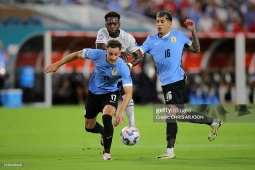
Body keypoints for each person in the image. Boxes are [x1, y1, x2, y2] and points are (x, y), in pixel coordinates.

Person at [139, 11, 222, 159]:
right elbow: (139, 53)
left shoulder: (178, 36)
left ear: (170, 23)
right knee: (182, 115)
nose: (159, 24)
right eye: (157, 21)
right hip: (165, 83)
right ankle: (212, 121)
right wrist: (129, 61)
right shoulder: (151, 40)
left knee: (170, 113)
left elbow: (196, 49)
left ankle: (170, 151)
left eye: (162, 21)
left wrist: (193, 32)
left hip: (176, 81)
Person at [45, 39, 132, 160]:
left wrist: (121, 110)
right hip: (93, 93)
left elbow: (129, 92)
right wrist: (57, 64)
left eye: (116, 54)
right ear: (106, 51)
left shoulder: (123, 67)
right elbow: (76, 54)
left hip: (110, 93)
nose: (113, 57)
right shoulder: (96, 54)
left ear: (120, 53)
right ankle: (103, 132)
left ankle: (106, 153)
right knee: (89, 127)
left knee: (107, 117)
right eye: (110, 53)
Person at [95, 11, 143, 127]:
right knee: (105, 105)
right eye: (109, 24)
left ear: (119, 24)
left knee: (127, 94)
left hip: (120, 72)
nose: (112, 26)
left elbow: (140, 56)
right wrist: (119, 54)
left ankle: (132, 126)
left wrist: (129, 65)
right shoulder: (102, 32)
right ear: (105, 25)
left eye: (115, 24)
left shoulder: (127, 37)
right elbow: (100, 50)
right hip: (104, 72)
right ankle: (106, 130)